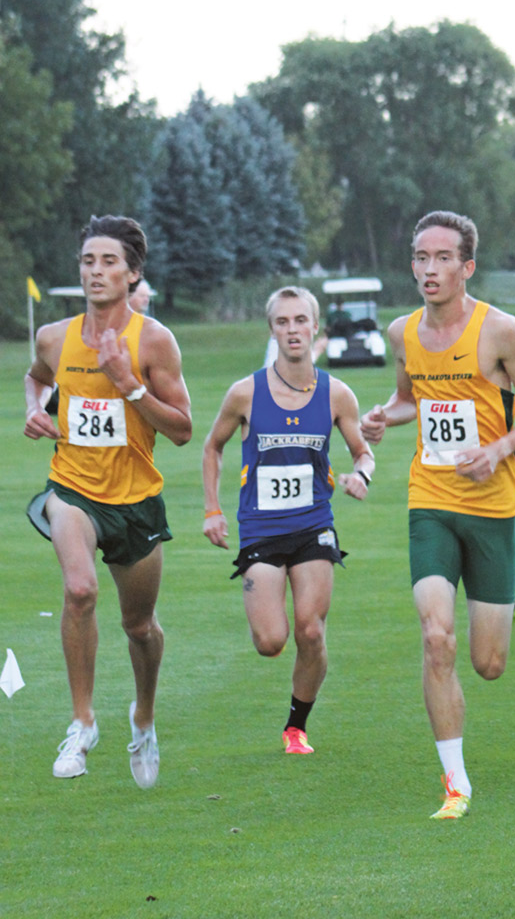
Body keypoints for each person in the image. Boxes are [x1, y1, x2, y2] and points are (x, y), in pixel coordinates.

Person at [360, 210, 515, 820]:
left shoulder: (500, 331)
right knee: (436, 635)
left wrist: (498, 449)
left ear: (466, 267)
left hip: (493, 506)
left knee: (488, 664)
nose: (430, 268)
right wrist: (382, 417)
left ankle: (500, 606)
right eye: (421, 257)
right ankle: (456, 782)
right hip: (432, 500)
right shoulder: (402, 332)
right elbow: (409, 399)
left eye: (443, 258)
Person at [23, 215, 192, 787]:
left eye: (109, 262)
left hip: (136, 502)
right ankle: (83, 722)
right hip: (72, 489)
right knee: (79, 590)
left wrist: (130, 385)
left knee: (140, 626)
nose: (96, 271)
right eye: (88, 261)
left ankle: (143, 718)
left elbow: (182, 429)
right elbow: (36, 377)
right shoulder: (54, 337)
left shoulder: (153, 340)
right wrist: (35, 408)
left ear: (132, 273)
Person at [202, 286, 373, 755]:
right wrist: (213, 509)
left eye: (301, 320)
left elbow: (362, 452)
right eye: (283, 322)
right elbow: (212, 447)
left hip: (314, 525)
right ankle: (268, 620)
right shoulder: (245, 393)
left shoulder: (337, 394)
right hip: (260, 529)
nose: (293, 330)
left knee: (311, 631)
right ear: (272, 330)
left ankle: (296, 727)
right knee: (271, 641)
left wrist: (361, 475)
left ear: (315, 327)